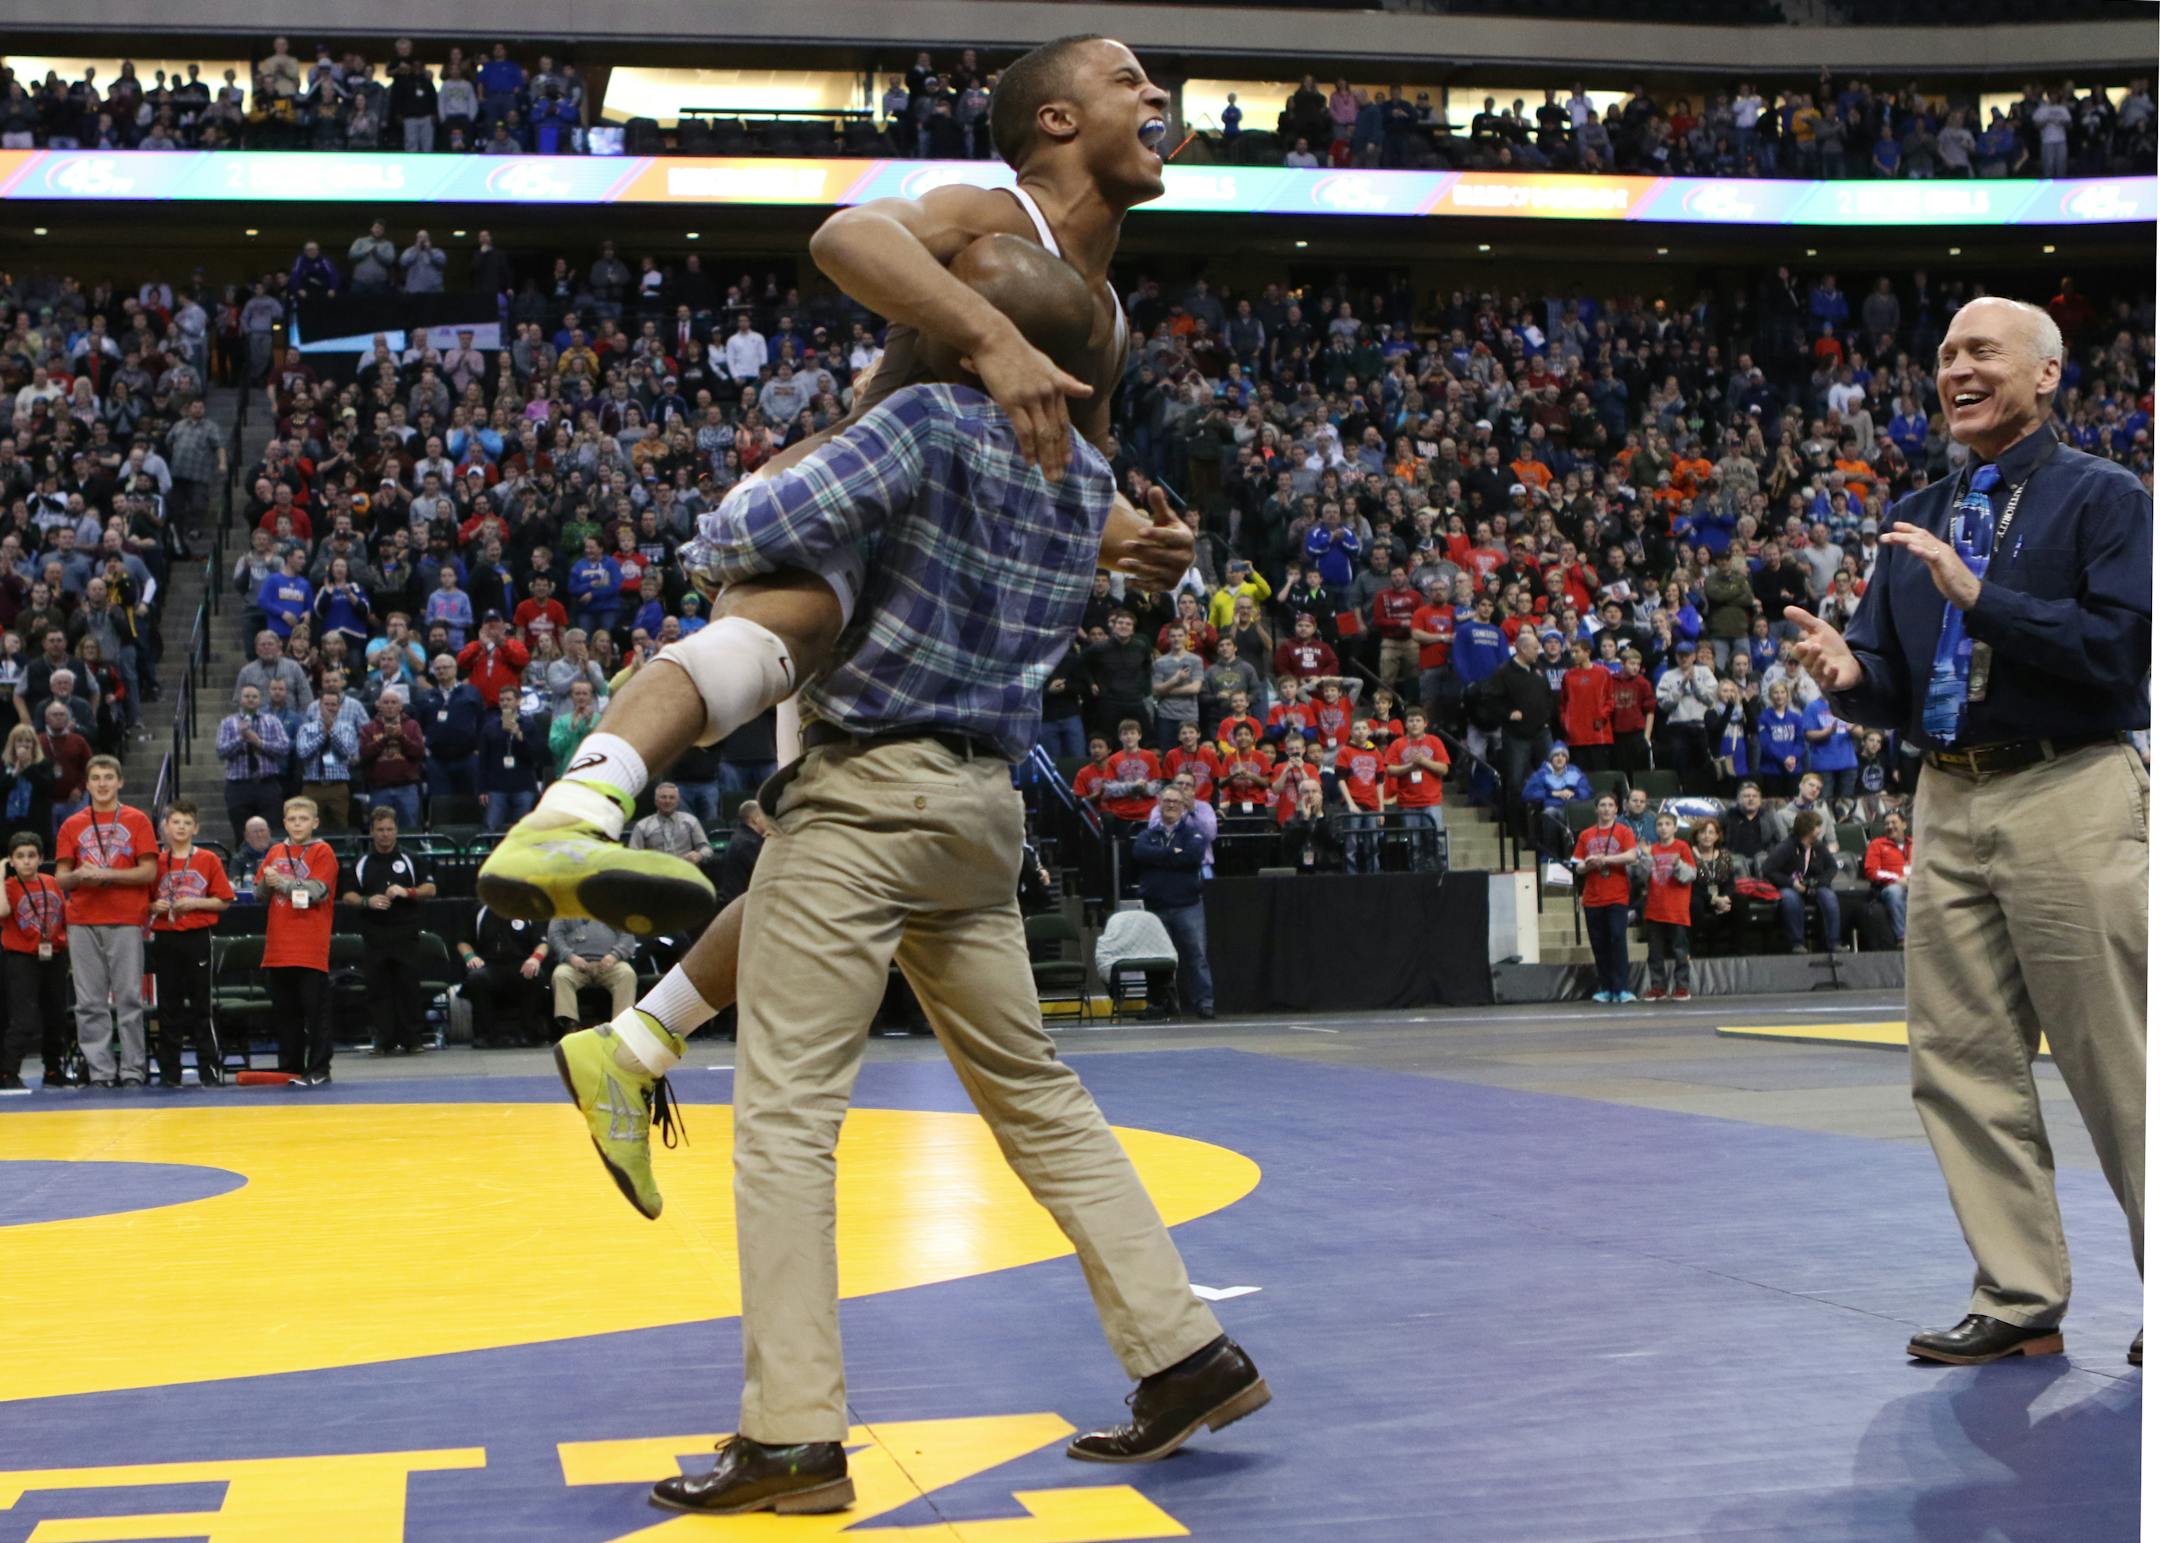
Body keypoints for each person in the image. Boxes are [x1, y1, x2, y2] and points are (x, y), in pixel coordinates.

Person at [555, 270, 1256, 1537]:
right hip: (983, 810)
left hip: (867, 794)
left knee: (784, 1122)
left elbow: (728, 537)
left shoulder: (926, 422)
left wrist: (844, 418)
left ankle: (792, 1434)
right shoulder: (1082, 479)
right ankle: (1184, 1348)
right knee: (1040, 1095)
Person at [478, 113, 1193, 945]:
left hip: (940, 558)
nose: (1152, 97)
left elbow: (1069, 475)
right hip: (857, 495)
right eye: (1126, 81)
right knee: (788, 633)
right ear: (1061, 117)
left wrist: (1143, 540)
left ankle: (641, 1038)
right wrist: (989, 333)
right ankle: (570, 813)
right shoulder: (992, 215)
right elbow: (845, 237)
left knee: (811, 876)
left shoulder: (1107, 313)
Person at [1788, 294, 2150, 1368]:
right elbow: (1893, 676)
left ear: (2047, 373)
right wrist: (1851, 679)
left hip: (2070, 788)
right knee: (1958, 1058)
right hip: (1945, 796)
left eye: (1982, 350)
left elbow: (2121, 657)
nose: (1957, 367)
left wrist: (1980, 594)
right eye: (1946, 353)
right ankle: (2019, 1295)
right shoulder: (1916, 511)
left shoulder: (2107, 498)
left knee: (2118, 1059)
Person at [54, 756, 158, 1087]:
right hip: (82, 920)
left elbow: (148, 871)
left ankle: (131, 1071)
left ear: (120, 782)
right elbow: (60, 878)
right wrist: (79, 876)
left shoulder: (137, 819)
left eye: (108, 777)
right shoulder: (72, 824)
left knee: (129, 999)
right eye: (96, 778)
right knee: (89, 1003)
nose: (102, 783)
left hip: (126, 918)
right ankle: (100, 1072)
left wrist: (106, 873)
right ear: (86, 784)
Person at [147, 801, 233, 1087]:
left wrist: (195, 902)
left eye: (187, 822)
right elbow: (143, 902)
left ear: (195, 827)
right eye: (176, 822)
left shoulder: (208, 859)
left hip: (197, 937)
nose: (181, 827)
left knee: (201, 1005)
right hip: (166, 936)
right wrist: (152, 905)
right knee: (168, 1007)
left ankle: (207, 1069)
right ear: (166, 827)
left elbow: (223, 901)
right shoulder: (155, 862)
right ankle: (170, 1073)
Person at [342, 806, 437, 1056]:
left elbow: (431, 889)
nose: (385, 834)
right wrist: (367, 901)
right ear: (372, 832)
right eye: (380, 830)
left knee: (408, 986)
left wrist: (408, 892)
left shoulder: (411, 859)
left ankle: (413, 1039)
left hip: (406, 933)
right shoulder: (362, 862)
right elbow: (348, 895)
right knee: (378, 988)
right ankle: (382, 1039)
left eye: (389, 829)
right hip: (374, 934)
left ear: (397, 830)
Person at [259, 796, 339, 1085]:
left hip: (309, 947)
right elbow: (259, 896)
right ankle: (291, 1067)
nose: (297, 824)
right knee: (286, 1015)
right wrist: (265, 880)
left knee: (315, 1014)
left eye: (303, 819)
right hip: (278, 948)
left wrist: (281, 883)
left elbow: (318, 890)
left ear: (314, 822)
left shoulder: (322, 851)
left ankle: (319, 1069)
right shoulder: (275, 852)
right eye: (292, 819)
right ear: (284, 823)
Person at [1131, 782, 1214, 1019]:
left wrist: (1160, 858)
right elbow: (1139, 853)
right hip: (1156, 906)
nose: (1171, 805)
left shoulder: (1193, 833)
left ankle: (1205, 1003)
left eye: (1176, 802)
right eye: (1167, 801)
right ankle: (1157, 1004)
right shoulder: (1148, 834)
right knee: (1156, 960)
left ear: (1183, 806)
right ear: (1159, 803)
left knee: (1197, 957)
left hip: (1188, 905)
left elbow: (1193, 857)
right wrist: (1172, 854)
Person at [1, 832, 70, 1090]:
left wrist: (66, 947)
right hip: (22, 958)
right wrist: (0, 873)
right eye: (20, 857)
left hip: (54, 954)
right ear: (11, 860)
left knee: (56, 1016)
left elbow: (62, 915)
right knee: (24, 1017)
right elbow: (2, 912)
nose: (26, 862)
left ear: (41, 858)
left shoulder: (51, 882)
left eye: (31, 856)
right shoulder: (8, 887)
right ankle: (8, 1071)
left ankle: (53, 1070)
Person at [1571, 791, 1637, 1003]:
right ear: (1596, 809)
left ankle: (1621, 988)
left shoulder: (1624, 831)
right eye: (1602, 805)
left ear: (1617, 809)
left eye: (1610, 805)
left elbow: (1632, 856)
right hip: (1592, 897)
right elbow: (1577, 866)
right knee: (1599, 944)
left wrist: (1605, 860)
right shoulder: (1586, 835)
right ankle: (1606, 987)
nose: (1606, 809)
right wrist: (1589, 864)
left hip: (1617, 896)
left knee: (1618, 939)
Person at [458, 903, 549, 1048]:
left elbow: (542, 944)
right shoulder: (479, 910)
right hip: (489, 965)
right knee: (476, 978)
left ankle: (529, 1033)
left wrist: (535, 959)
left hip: (521, 964)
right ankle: (485, 1035)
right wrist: (470, 957)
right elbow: (463, 942)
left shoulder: (528, 910)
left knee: (536, 976)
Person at [545, 914, 639, 1038]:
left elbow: (627, 936)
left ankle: (622, 1026)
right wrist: (570, 957)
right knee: (561, 975)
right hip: (574, 963)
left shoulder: (613, 907)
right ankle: (571, 1025)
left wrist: (615, 955)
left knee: (627, 974)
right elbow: (554, 937)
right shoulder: (564, 910)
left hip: (609, 963)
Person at [216, 682, 288, 842]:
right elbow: (221, 752)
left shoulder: (272, 721)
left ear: (260, 699)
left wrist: (259, 743)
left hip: (267, 785)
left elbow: (284, 748)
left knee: (272, 833)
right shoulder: (227, 723)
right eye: (247, 696)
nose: (250, 700)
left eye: (254, 696)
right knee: (241, 835)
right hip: (238, 787)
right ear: (240, 699)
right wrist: (240, 738)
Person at [1761, 809, 1840, 953]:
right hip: (1789, 885)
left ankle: (1833, 942)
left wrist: (1818, 882)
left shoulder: (1819, 846)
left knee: (1829, 896)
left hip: (1814, 885)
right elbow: (1768, 869)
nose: (1820, 830)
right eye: (1817, 826)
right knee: (1790, 899)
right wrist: (1791, 883)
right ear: (1808, 829)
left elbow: (1832, 867)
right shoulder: (1786, 847)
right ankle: (1796, 943)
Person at [1639, 810, 1695, 1001]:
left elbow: (1690, 875)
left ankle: (1682, 987)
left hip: (1677, 909)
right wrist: (1645, 857)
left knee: (1680, 951)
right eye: (1660, 825)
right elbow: (1641, 876)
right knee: (1654, 953)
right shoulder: (1651, 849)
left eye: (1667, 824)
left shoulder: (1683, 847)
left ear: (1675, 828)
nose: (1663, 828)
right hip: (1654, 908)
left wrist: (1678, 864)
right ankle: (1658, 987)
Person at [1384, 705, 1448, 870]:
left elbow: (1444, 769)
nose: (1414, 724)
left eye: (1418, 720)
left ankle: (1441, 872)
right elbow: (1390, 770)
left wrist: (1424, 762)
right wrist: (1411, 766)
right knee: (1414, 843)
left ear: (1425, 723)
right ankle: (1416, 874)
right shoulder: (1398, 744)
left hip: (1431, 801)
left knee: (1437, 840)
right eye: (1411, 721)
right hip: (1408, 802)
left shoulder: (1434, 741)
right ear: (1405, 724)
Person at [628, 781, 725, 887]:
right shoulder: (642, 825)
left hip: (686, 877)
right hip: (655, 878)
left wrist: (699, 855)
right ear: (656, 801)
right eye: (663, 797)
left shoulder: (691, 821)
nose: (667, 801)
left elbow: (707, 849)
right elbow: (633, 856)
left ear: (678, 801)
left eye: (671, 797)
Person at [358, 686, 425, 831]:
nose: (389, 706)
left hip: (407, 788)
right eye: (386, 702)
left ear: (401, 706)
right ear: (378, 705)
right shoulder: (368, 728)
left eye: (394, 702)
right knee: (380, 830)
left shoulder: (412, 726)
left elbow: (419, 752)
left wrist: (400, 737)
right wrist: (385, 738)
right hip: (379, 789)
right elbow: (364, 754)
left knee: (410, 829)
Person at [1862, 807, 1912, 943]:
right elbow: (1871, 871)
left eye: (1894, 823)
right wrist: (1897, 879)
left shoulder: (1914, 844)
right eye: (1887, 824)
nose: (1890, 826)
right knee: (1895, 892)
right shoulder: (1877, 844)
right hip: (1888, 887)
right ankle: (1902, 939)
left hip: (1915, 884)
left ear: (1904, 824)